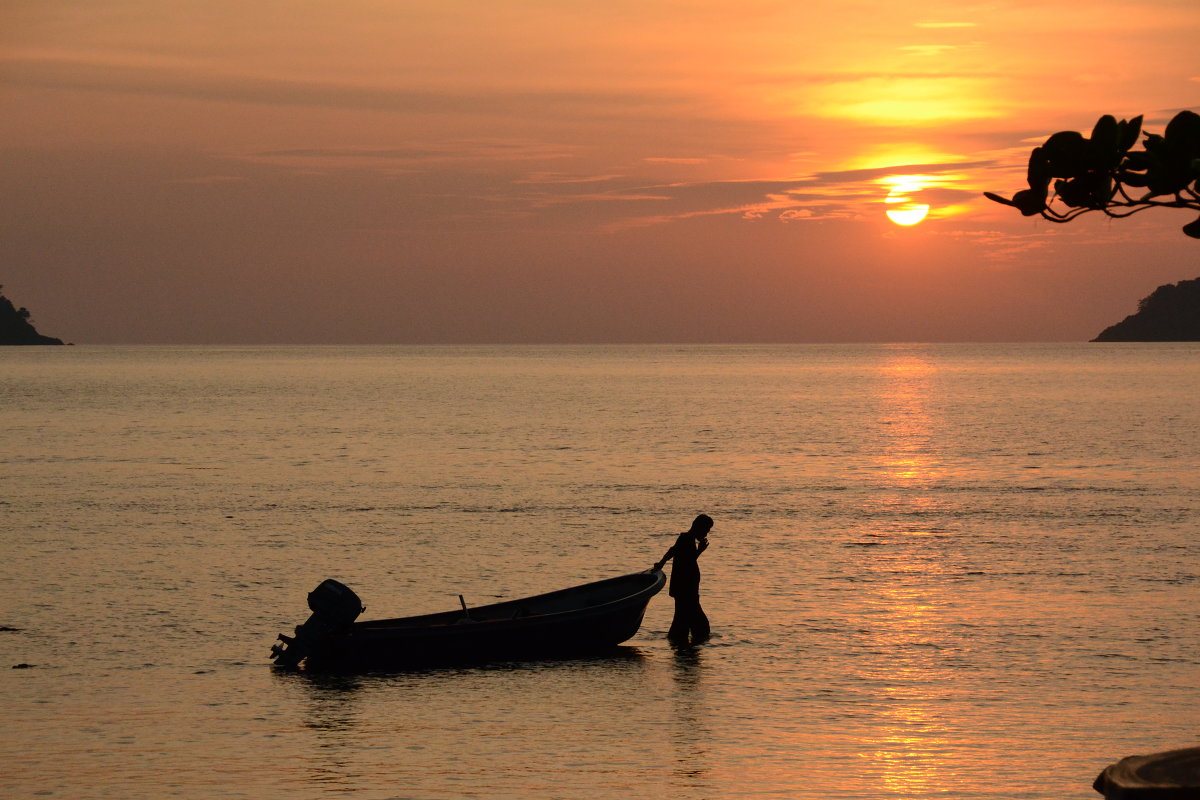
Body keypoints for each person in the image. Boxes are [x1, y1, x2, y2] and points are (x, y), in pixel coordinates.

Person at [652, 514, 713, 644]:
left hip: (685, 589)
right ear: (699, 527)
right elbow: (687, 561)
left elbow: (674, 552)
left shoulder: (687, 539)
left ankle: (680, 652)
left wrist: (662, 563)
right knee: (699, 625)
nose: (707, 533)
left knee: (682, 621)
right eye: (706, 529)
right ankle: (684, 652)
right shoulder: (686, 539)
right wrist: (700, 551)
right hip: (686, 590)